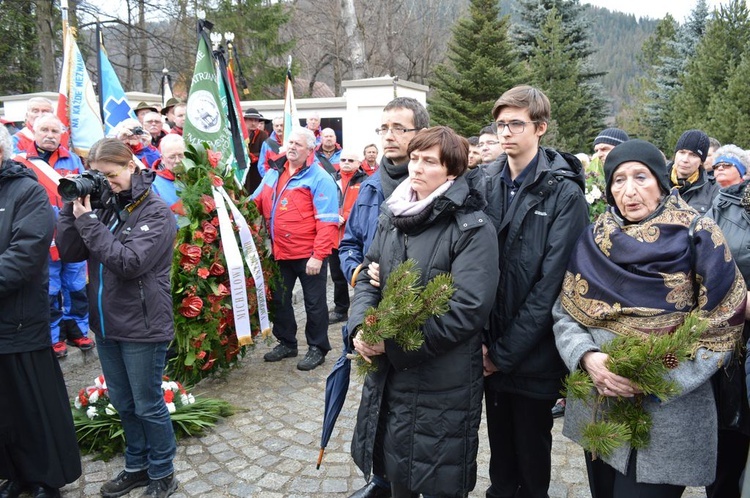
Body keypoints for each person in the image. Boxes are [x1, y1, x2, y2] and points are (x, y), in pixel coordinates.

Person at [553, 138, 746, 498]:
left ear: (660, 180)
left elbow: (723, 324)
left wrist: (657, 379)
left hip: (669, 413)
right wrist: (587, 358)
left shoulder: (699, 234)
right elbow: (565, 312)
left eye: (640, 177)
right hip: (600, 404)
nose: (629, 190)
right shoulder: (595, 237)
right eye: (618, 180)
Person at [349, 126, 499, 498]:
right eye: (414, 158)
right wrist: (362, 328)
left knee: (437, 477)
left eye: (428, 161)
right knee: (395, 466)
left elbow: (467, 309)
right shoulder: (393, 214)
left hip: (441, 379)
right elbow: (367, 277)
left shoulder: (472, 228)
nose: (416, 167)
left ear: (452, 172)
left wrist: (393, 344)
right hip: (390, 375)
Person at [482, 85, 589, 498]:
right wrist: (483, 344)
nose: (505, 132)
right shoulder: (486, 180)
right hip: (489, 345)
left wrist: (503, 354)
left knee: (530, 453)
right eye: (500, 123)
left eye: (516, 123)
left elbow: (552, 286)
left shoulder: (564, 192)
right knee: (500, 458)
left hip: (534, 353)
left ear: (540, 128)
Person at [56, 138, 179, 498]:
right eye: (99, 176)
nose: (106, 183)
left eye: (111, 175)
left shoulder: (156, 211)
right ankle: (137, 466)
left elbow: (128, 263)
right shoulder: (104, 206)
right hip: (107, 323)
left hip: (143, 324)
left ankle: (163, 473)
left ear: (131, 166)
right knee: (124, 403)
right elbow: (70, 250)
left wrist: (89, 221)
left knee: (147, 404)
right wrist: (71, 207)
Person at [339, 96, 429, 498]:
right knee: (376, 405)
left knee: (411, 417)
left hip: (417, 323)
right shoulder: (369, 185)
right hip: (374, 309)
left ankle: (409, 485)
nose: (389, 136)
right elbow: (349, 245)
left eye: (399, 128)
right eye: (384, 128)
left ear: (419, 134)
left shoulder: (432, 183)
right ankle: (380, 480)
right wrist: (360, 272)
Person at [0, 125, 81, 498]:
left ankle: (48, 477)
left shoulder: (27, 191)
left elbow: (25, 255)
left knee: (34, 406)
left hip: (20, 317)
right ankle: (16, 472)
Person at [252, 127, 339, 371]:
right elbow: (254, 202)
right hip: (280, 252)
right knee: (279, 299)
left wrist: (318, 256)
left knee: (314, 303)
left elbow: (328, 220)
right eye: (290, 142)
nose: (292, 147)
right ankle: (287, 342)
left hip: (308, 255)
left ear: (311, 149)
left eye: (298, 144)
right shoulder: (273, 172)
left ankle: (318, 347)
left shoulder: (319, 177)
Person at [14, 113, 91, 358]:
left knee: (77, 286)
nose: (49, 135)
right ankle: (53, 336)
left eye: (55, 131)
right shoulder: (21, 163)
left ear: (62, 135)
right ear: (33, 133)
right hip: (43, 237)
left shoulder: (74, 160)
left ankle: (77, 330)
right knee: (49, 289)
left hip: (73, 234)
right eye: (44, 130)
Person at [706, 145, 750, 498]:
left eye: (727, 165)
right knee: (729, 430)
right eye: (716, 165)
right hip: (729, 330)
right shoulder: (724, 205)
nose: (720, 171)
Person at [328, 149, 368, 325]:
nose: (345, 163)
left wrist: (347, 216)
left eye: (350, 160)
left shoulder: (366, 181)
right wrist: (332, 216)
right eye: (343, 159)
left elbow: (366, 206)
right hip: (334, 236)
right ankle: (340, 309)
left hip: (356, 237)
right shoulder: (331, 179)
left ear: (359, 163)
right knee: (337, 276)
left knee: (359, 275)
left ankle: (363, 309)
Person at [670, 129, 719, 214]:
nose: (685, 159)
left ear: (701, 161)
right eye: (682, 152)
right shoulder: (657, 181)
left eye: (693, 155)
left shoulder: (713, 190)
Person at [150, 134, 185, 211]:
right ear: (162, 158)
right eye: (172, 157)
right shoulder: (153, 184)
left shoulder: (195, 174)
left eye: (181, 155)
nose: (177, 161)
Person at [242, 108, 269, 194]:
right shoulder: (237, 133)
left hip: (256, 171)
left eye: (256, 120)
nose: (253, 123)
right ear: (245, 121)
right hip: (240, 169)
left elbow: (267, 153)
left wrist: (250, 156)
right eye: (250, 120)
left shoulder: (263, 135)